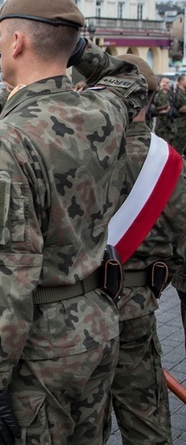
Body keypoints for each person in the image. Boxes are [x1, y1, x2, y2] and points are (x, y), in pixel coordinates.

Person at [0, 0, 147, 444]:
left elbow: (5, 274)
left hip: (41, 345)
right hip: (98, 322)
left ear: (16, 43)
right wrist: (76, 48)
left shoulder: (4, 142)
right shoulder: (103, 110)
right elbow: (132, 79)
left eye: (1, 38)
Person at [108, 54, 185, 445]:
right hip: (136, 311)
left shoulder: (73, 155)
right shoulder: (168, 163)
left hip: (67, 320)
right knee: (147, 429)